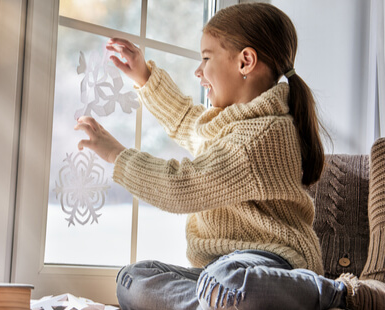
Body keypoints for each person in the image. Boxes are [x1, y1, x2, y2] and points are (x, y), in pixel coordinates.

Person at [74, 3, 385, 310]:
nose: (198, 72)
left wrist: (117, 155)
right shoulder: (227, 125)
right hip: (217, 269)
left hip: (270, 262)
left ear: (245, 62)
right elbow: (185, 120)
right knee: (132, 278)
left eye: (206, 58)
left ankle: (338, 293)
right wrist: (144, 76)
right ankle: (219, 304)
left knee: (227, 280)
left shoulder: (262, 136)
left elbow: (182, 186)